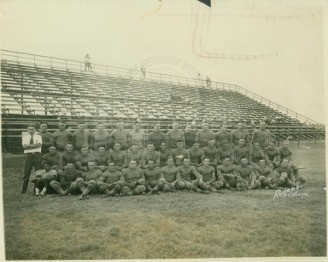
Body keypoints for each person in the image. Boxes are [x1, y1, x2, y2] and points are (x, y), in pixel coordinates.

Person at [22, 123, 43, 194]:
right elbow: (24, 147)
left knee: (39, 173)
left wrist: (29, 146)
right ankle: (23, 190)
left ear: (35, 130)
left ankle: (37, 189)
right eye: (29, 129)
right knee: (26, 172)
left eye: (32, 129)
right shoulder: (25, 137)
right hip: (28, 156)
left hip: (37, 155)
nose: (31, 131)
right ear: (27, 130)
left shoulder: (38, 136)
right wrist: (34, 146)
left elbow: (39, 145)